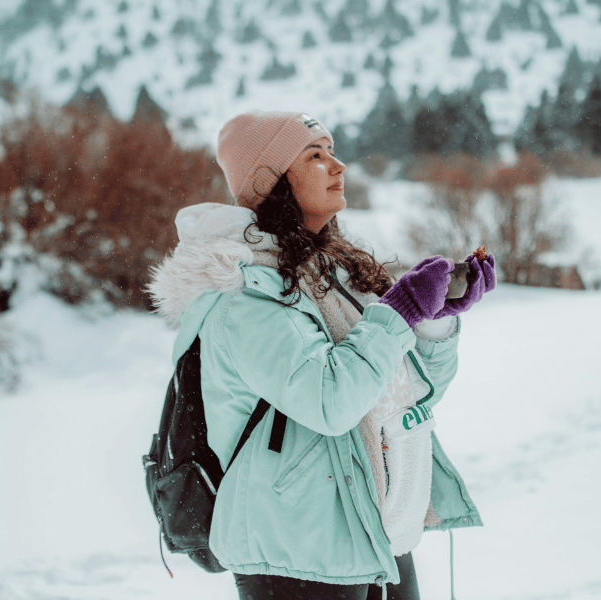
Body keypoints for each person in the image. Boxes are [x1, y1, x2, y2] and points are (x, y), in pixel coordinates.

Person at [147, 111, 495, 600]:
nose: (339, 166)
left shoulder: (330, 273)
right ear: (272, 181)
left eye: (331, 150)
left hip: (370, 522)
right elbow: (330, 400)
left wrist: (433, 319)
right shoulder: (244, 294)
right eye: (316, 155)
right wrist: (397, 314)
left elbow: (406, 393)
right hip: (293, 545)